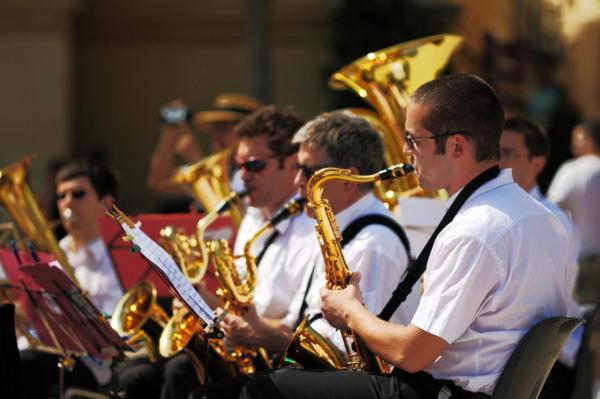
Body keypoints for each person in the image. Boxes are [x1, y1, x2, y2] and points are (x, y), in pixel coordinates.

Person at [213, 74, 577, 399]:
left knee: (258, 390)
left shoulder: (475, 231)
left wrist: (351, 311)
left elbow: (411, 354)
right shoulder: (545, 219)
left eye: (412, 140)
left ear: (457, 146)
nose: (405, 153)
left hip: (439, 392)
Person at [192, 111, 418, 399]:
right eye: (298, 169)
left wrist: (266, 337)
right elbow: (302, 320)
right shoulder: (333, 227)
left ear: (347, 178)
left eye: (308, 171)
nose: (298, 181)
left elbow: (357, 352)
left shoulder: (373, 242)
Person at [158, 105, 306, 399]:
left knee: (179, 376)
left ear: (291, 164)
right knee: (151, 373)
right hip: (247, 349)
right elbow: (240, 305)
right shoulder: (252, 217)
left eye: (254, 166)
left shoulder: (311, 226)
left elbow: (302, 328)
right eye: (238, 166)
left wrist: (252, 328)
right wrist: (202, 301)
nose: (242, 176)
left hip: (283, 362)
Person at [20, 158, 126, 398]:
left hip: (97, 364)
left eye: (78, 194)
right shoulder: (56, 252)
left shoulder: (118, 256)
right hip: (52, 350)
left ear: (106, 203)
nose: (67, 202)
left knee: (24, 364)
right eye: (61, 196)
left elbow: (121, 326)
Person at [499, 115, 583, 398]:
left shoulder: (552, 221)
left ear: (538, 163)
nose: (499, 162)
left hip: (539, 363)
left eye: (509, 154)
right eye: (495, 153)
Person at [146, 93, 261, 206]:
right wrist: (169, 135)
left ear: (248, 133)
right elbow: (159, 183)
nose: (216, 135)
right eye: (215, 128)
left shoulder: (260, 169)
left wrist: (197, 161)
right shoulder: (217, 168)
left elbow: (227, 210)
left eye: (224, 128)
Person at [547, 121, 600, 304]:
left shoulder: (572, 170)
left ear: (589, 142)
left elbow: (551, 210)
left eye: (576, 139)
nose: (572, 145)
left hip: (585, 256)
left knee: (588, 320)